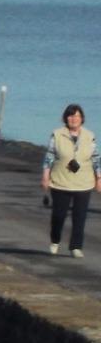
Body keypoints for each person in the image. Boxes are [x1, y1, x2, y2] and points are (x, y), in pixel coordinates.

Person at [42, 104, 101, 258]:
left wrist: (99, 178)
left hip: (84, 183)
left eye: (77, 116)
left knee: (79, 216)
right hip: (60, 181)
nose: (74, 119)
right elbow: (49, 156)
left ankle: (76, 247)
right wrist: (45, 176)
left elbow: (96, 159)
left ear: (82, 119)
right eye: (70, 116)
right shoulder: (57, 134)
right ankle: (55, 240)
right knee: (59, 215)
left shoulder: (90, 136)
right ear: (65, 118)